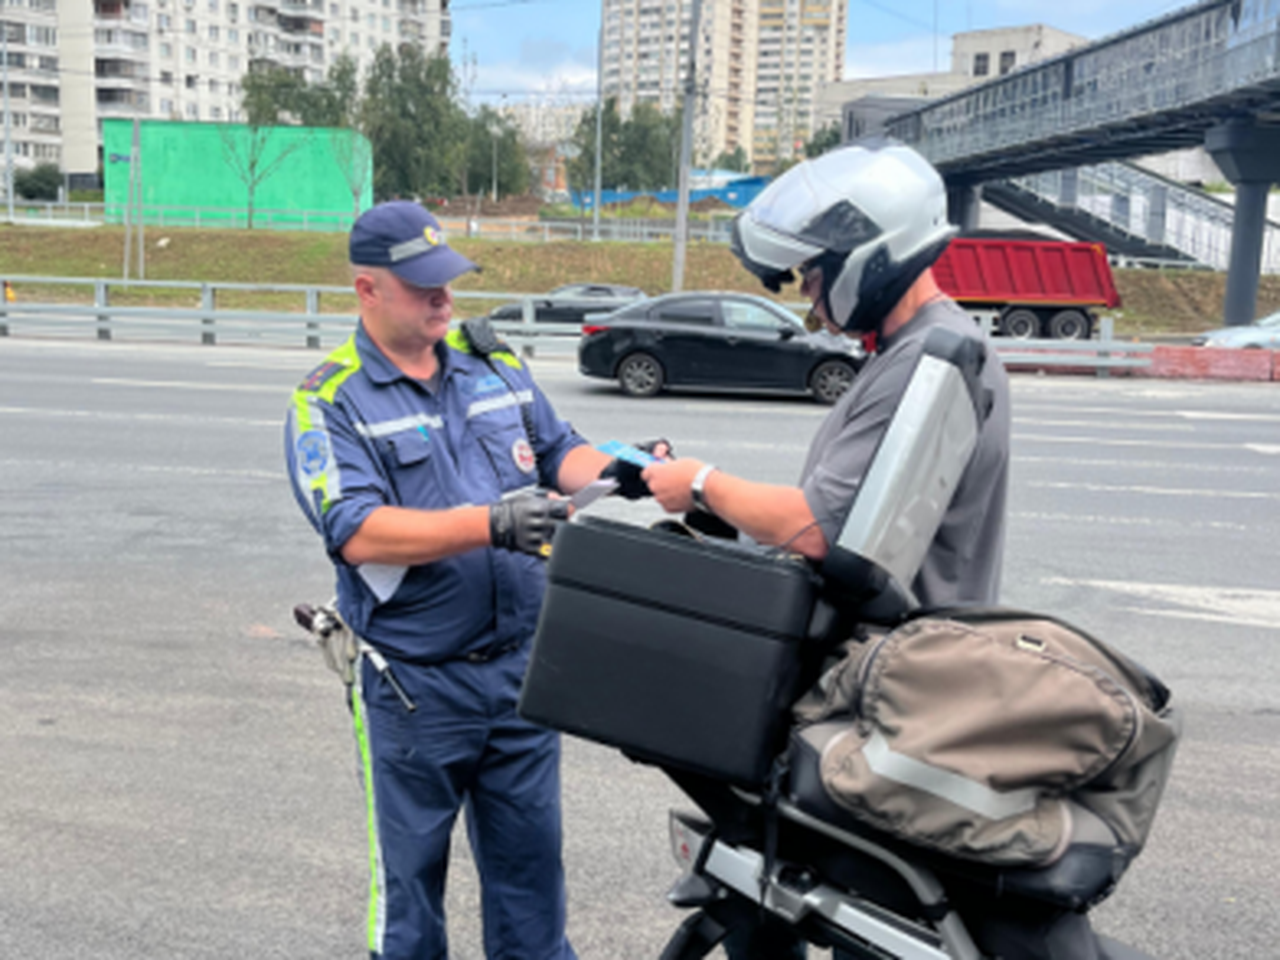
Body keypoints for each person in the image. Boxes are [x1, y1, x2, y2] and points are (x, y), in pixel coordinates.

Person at [643, 138, 1014, 958]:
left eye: (813, 275)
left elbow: (825, 531)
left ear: (871, 257)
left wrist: (701, 482)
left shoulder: (931, 358)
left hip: (892, 687)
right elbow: (850, 517)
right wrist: (714, 509)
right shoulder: (915, 353)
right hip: (882, 674)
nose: (810, 301)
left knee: (858, 911)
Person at [284, 200, 658, 960]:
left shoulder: (492, 364)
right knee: (410, 895)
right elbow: (357, 531)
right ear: (367, 290)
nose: (444, 297)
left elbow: (560, 451)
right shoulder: (330, 400)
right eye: (422, 285)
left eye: (448, 280)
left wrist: (627, 469)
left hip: (521, 675)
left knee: (532, 887)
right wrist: (489, 523)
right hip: (416, 689)